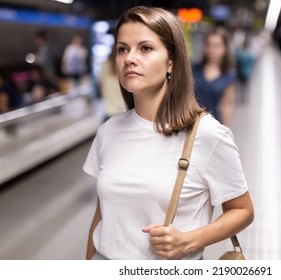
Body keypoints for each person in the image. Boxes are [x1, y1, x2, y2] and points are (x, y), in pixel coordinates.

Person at [83, 6, 253, 260]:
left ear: (171, 61)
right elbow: (102, 215)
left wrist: (189, 241)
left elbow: (243, 210)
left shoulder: (207, 135)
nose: (130, 58)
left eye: (146, 48)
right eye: (122, 49)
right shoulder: (109, 131)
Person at [192, 28, 236, 127]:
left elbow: (226, 105)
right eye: (209, 45)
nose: (212, 50)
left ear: (225, 48)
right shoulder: (193, 68)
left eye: (217, 45)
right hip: (189, 121)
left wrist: (226, 131)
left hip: (211, 124)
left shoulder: (229, 75)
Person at [99, 45, 126, 120]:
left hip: (109, 110)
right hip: (122, 111)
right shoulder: (124, 66)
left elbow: (101, 85)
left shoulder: (105, 64)